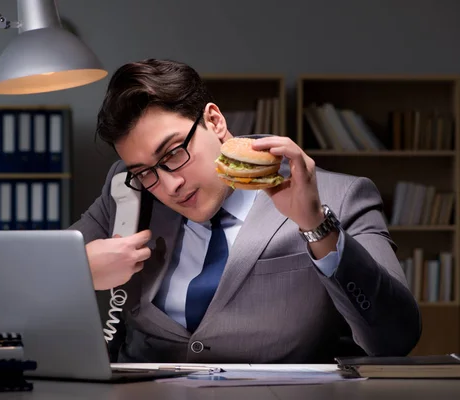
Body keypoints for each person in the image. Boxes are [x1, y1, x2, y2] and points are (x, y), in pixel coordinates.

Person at [68, 58, 421, 363]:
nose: (169, 185)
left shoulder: (341, 196)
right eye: (145, 171)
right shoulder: (127, 190)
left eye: (174, 153)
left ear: (215, 121)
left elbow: (396, 339)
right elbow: (32, 274)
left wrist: (317, 226)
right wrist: (79, 270)